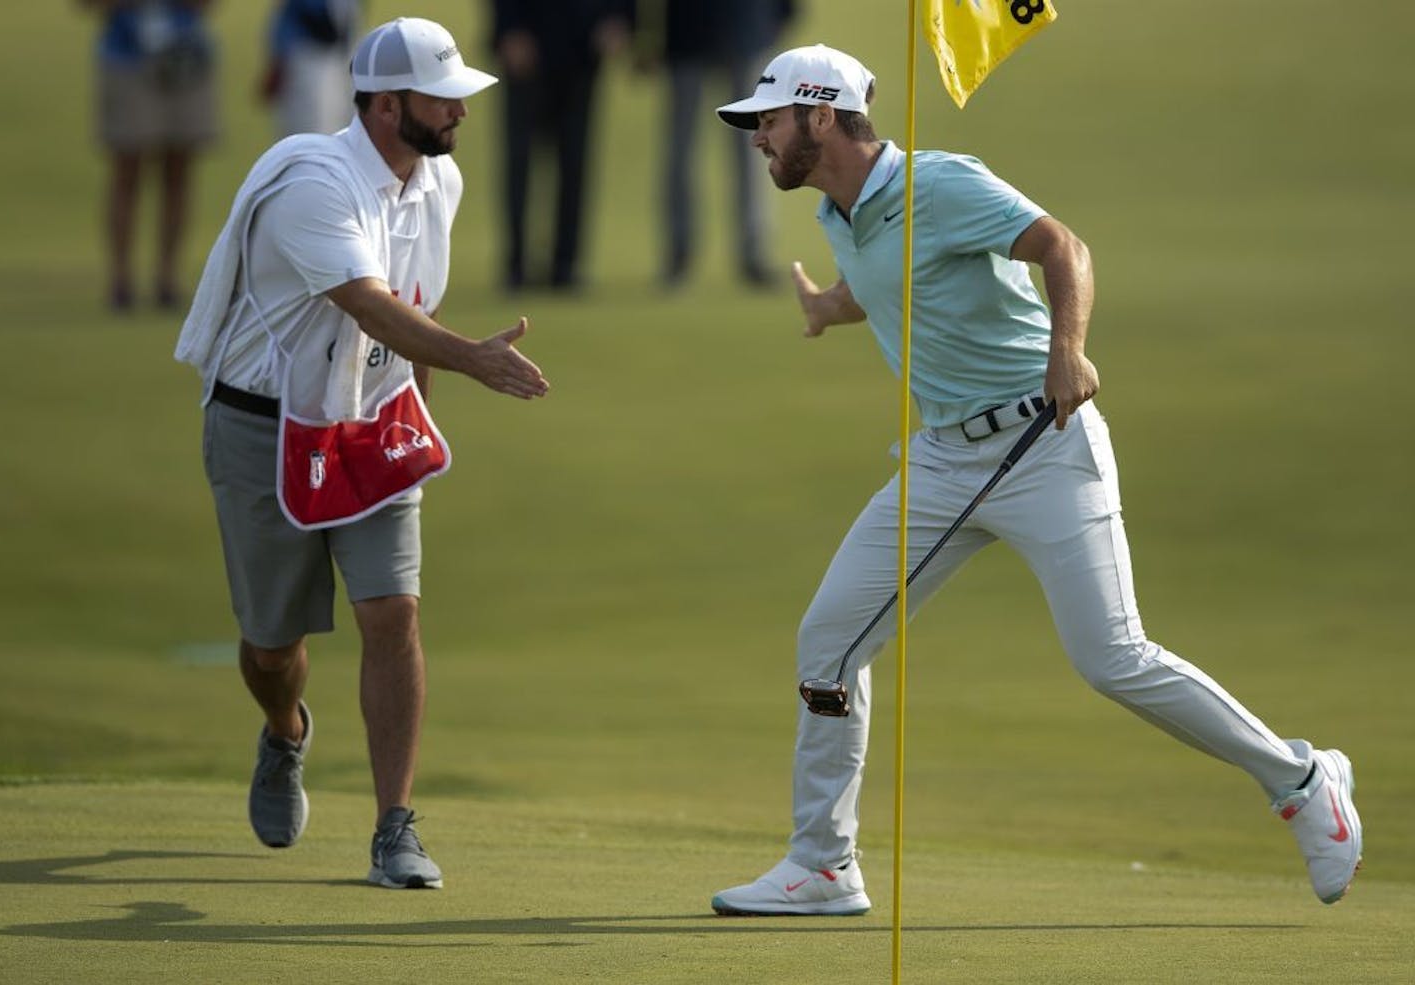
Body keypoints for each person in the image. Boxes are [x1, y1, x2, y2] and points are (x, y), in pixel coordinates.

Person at [708, 44, 1362, 915]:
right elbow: (897, 274)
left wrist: (1067, 351)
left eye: (769, 120)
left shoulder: (942, 183)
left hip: (1042, 441)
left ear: (820, 116)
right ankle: (824, 864)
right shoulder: (835, 212)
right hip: (942, 461)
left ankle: (1304, 779)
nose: (757, 138)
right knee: (827, 644)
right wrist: (835, 304)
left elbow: (1063, 245)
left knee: (1112, 657)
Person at [173, 17, 550, 889]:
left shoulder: (439, 180)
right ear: (386, 106)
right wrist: (474, 359)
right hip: (263, 425)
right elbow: (369, 303)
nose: (459, 113)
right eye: (441, 98)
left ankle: (394, 827)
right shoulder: (315, 182)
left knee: (394, 613)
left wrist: (422, 388)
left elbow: (409, 308)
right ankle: (284, 731)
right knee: (272, 644)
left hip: (372, 415)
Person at [82, 0, 218, 311]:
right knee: (126, 169)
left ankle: (167, 278)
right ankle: (120, 280)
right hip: (126, 59)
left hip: (186, 59)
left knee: (178, 171)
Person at [489, 0, 634, 291]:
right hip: (526, 45)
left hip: (582, 50)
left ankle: (566, 265)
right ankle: (516, 264)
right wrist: (508, 28)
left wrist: (620, 18)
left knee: (575, 165)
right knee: (519, 165)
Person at [652, 0, 795, 287]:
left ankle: (753, 253)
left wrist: (783, 13)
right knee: (680, 152)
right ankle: (679, 252)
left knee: (754, 147)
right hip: (687, 33)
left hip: (746, 29)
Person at [259, 0, 363, 137]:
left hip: (346, 54)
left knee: (353, 130)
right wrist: (279, 61)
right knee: (311, 134)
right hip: (309, 55)